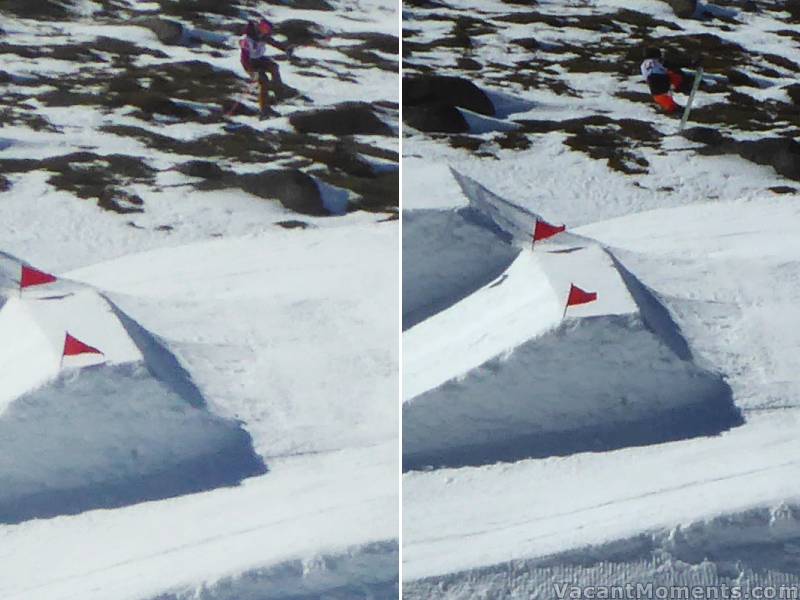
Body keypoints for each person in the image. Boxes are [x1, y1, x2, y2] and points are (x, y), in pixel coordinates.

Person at [239, 18, 292, 117]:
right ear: (258, 27)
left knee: (274, 67)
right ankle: (264, 109)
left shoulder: (263, 36)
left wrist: (286, 48)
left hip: (259, 59)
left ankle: (279, 93)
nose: (265, 32)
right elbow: (244, 58)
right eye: (263, 28)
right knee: (263, 81)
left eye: (267, 30)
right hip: (249, 62)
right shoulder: (247, 39)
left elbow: (273, 42)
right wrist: (252, 72)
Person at [640, 47, 697, 114]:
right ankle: (685, 86)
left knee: (663, 99)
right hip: (662, 79)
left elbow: (647, 77)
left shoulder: (643, 65)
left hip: (655, 86)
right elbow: (674, 65)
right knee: (677, 75)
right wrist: (690, 63)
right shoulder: (656, 61)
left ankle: (674, 109)